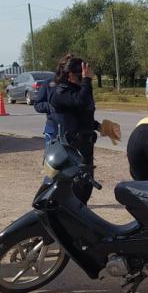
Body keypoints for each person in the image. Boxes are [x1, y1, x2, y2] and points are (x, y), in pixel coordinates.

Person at [49, 56, 99, 203]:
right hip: (72, 148)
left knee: (86, 187)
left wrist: (99, 126)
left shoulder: (78, 89)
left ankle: (81, 217)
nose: (83, 78)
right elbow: (80, 102)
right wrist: (87, 81)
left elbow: (83, 114)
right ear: (70, 74)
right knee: (76, 188)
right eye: (80, 75)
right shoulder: (61, 92)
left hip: (86, 144)